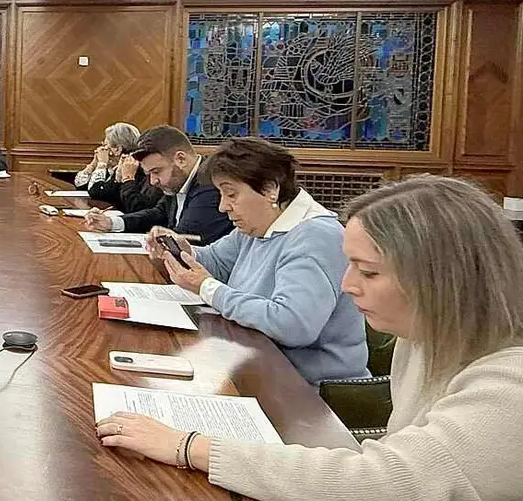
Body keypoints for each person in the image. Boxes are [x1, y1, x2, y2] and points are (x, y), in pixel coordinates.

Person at [96, 175, 523, 501]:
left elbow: (393, 487)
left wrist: (190, 446)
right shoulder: (425, 341)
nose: (346, 285)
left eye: (369, 272)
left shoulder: (517, 384)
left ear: (444, 279)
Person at [147, 138, 367, 384]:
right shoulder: (257, 226)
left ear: (270, 189)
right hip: (254, 363)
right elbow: (217, 263)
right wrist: (184, 252)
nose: (222, 207)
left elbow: (292, 325)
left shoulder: (315, 235)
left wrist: (207, 287)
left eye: (231, 194)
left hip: (307, 390)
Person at [85, 125, 232, 245]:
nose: (153, 181)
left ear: (180, 159)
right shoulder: (180, 181)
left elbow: (184, 238)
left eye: (156, 172)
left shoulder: (210, 184)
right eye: (149, 174)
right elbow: (158, 213)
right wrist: (111, 223)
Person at [81, 122, 164, 214]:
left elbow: (136, 207)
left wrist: (102, 164)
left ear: (118, 149)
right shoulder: (122, 163)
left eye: (105, 146)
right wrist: (94, 164)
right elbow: (82, 185)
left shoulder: (134, 165)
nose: (100, 150)